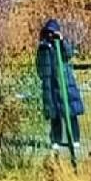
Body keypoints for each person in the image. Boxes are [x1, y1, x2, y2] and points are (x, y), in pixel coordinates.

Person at [36, 19, 84, 150]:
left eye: (53, 33)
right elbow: (39, 64)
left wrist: (61, 41)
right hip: (50, 85)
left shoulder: (62, 45)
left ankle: (75, 139)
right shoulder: (43, 48)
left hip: (65, 83)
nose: (50, 35)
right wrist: (44, 77)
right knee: (54, 115)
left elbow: (69, 54)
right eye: (48, 33)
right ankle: (56, 140)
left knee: (71, 112)